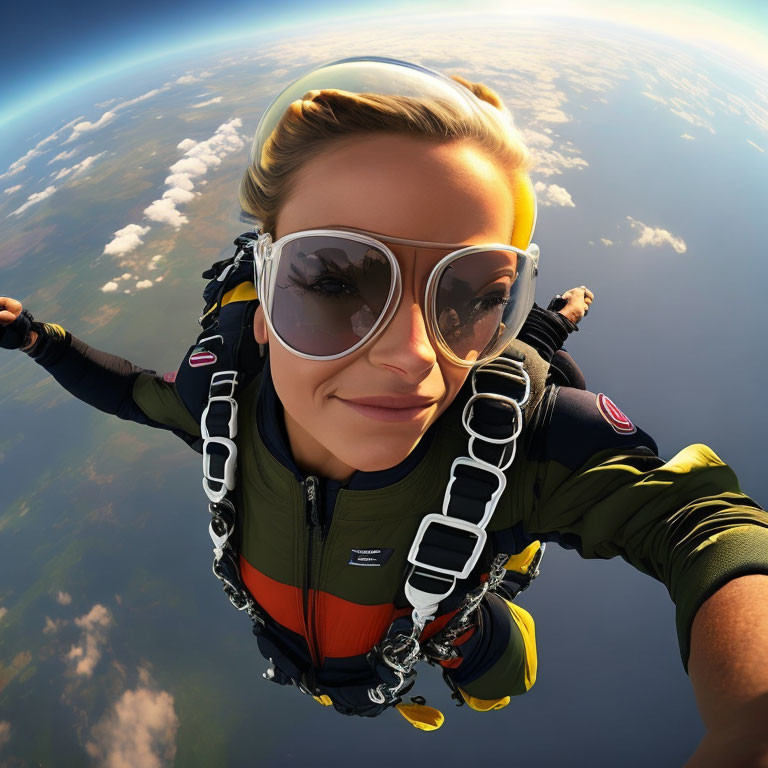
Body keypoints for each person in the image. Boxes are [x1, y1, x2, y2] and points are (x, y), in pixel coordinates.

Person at [2, 56, 767, 761]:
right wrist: (40, 339)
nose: (411, 354)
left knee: (504, 675)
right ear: (262, 303)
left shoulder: (522, 447)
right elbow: (130, 391)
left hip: (416, 638)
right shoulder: (222, 403)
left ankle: (546, 320)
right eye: (335, 281)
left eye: (476, 294)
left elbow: (700, 525)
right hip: (320, 650)